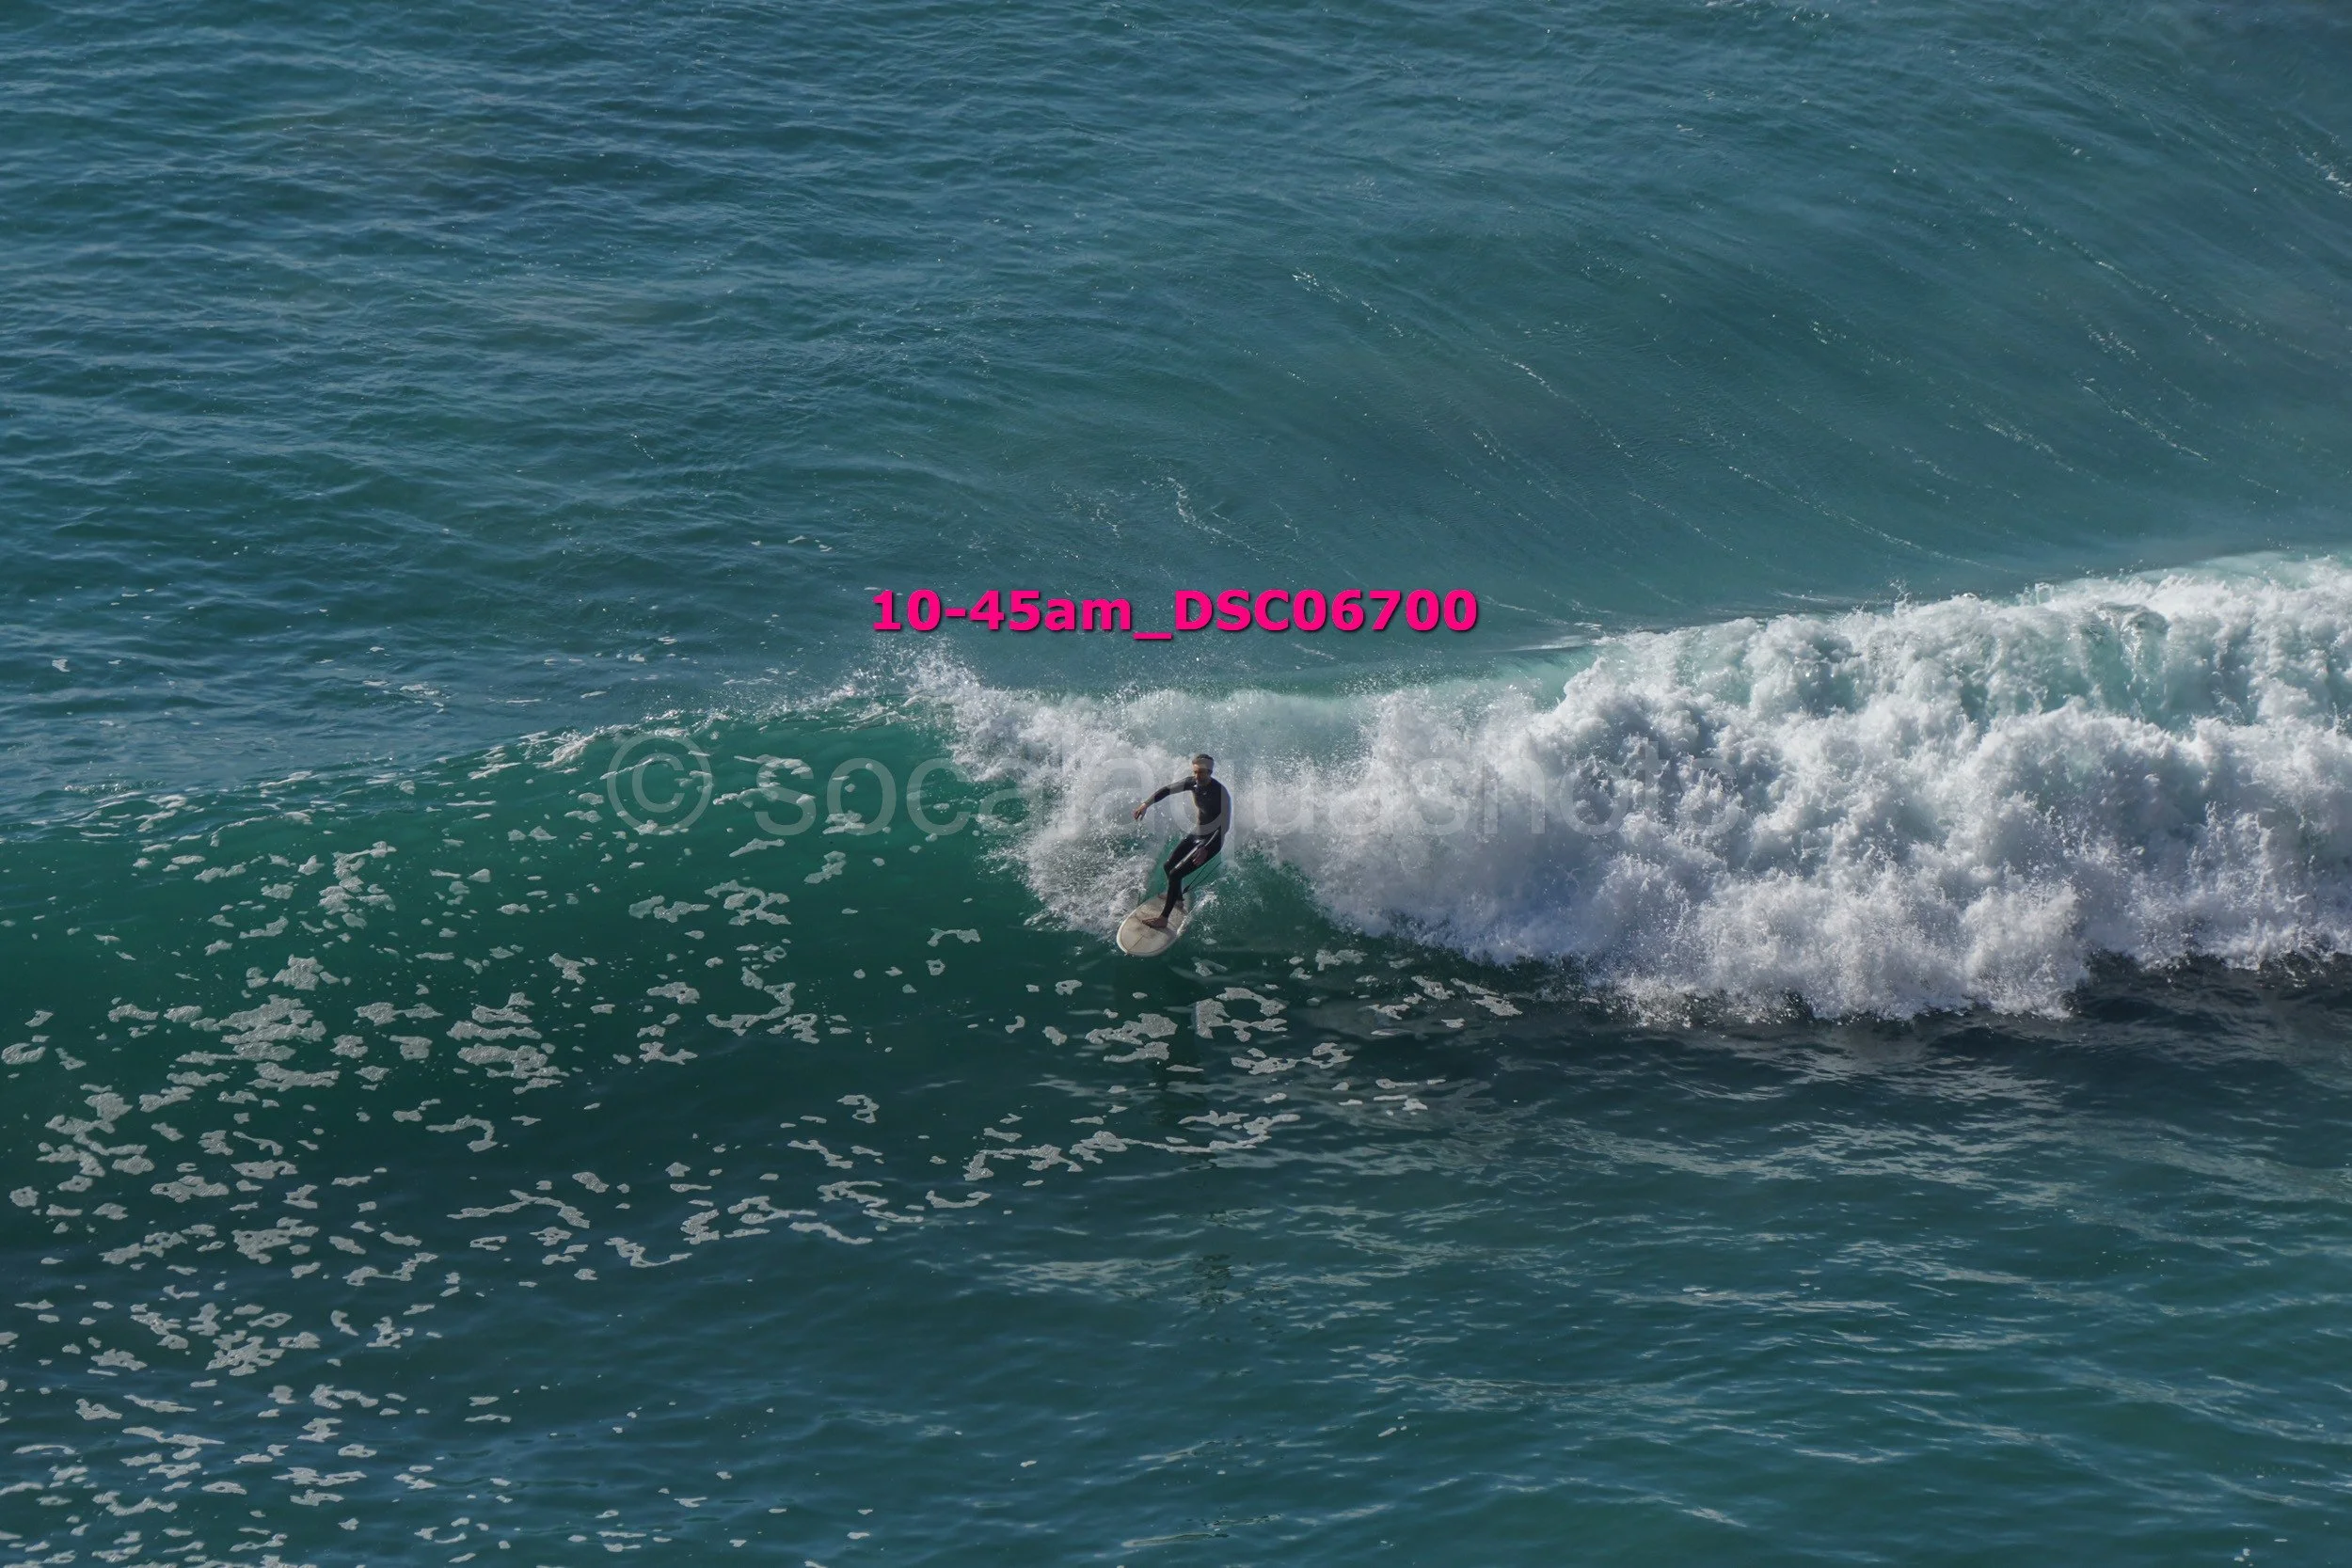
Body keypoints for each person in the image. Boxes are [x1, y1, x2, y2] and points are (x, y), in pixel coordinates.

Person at [1132, 753, 1230, 928]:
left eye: (1201, 773)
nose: (1197, 776)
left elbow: (1225, 827)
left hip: (1212, 841)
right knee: (1168, 866)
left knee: (1176, 874)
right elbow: (1167, 790)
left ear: (1210, 772)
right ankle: (1178, 900)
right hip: (1198, 832)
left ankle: (1163, 919)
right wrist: (1145, 804)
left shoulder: (1220, 793)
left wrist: (1205, 848)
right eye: (1194, 772)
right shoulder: (1192, 782)